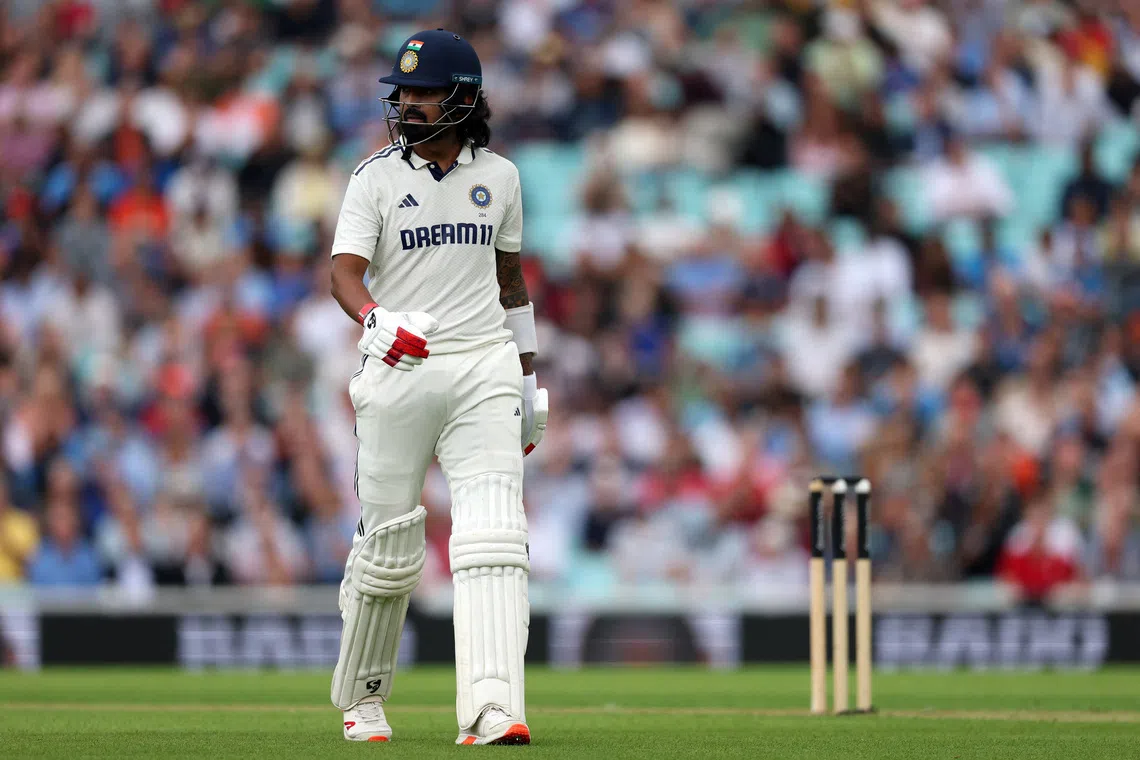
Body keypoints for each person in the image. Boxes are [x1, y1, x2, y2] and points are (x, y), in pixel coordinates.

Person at [326, 29, 547, 745]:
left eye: (424, 93)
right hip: (401, 364)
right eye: (404, 93)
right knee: (389, 546)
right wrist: (374, 319)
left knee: (493, 533)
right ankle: (364, 700)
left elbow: (511, 283)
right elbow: (343, 274)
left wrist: (529, 373)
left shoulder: (503, 179)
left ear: (464, 98)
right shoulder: (374, 178)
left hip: (484, 364)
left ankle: (492, 707)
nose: (409, 105)